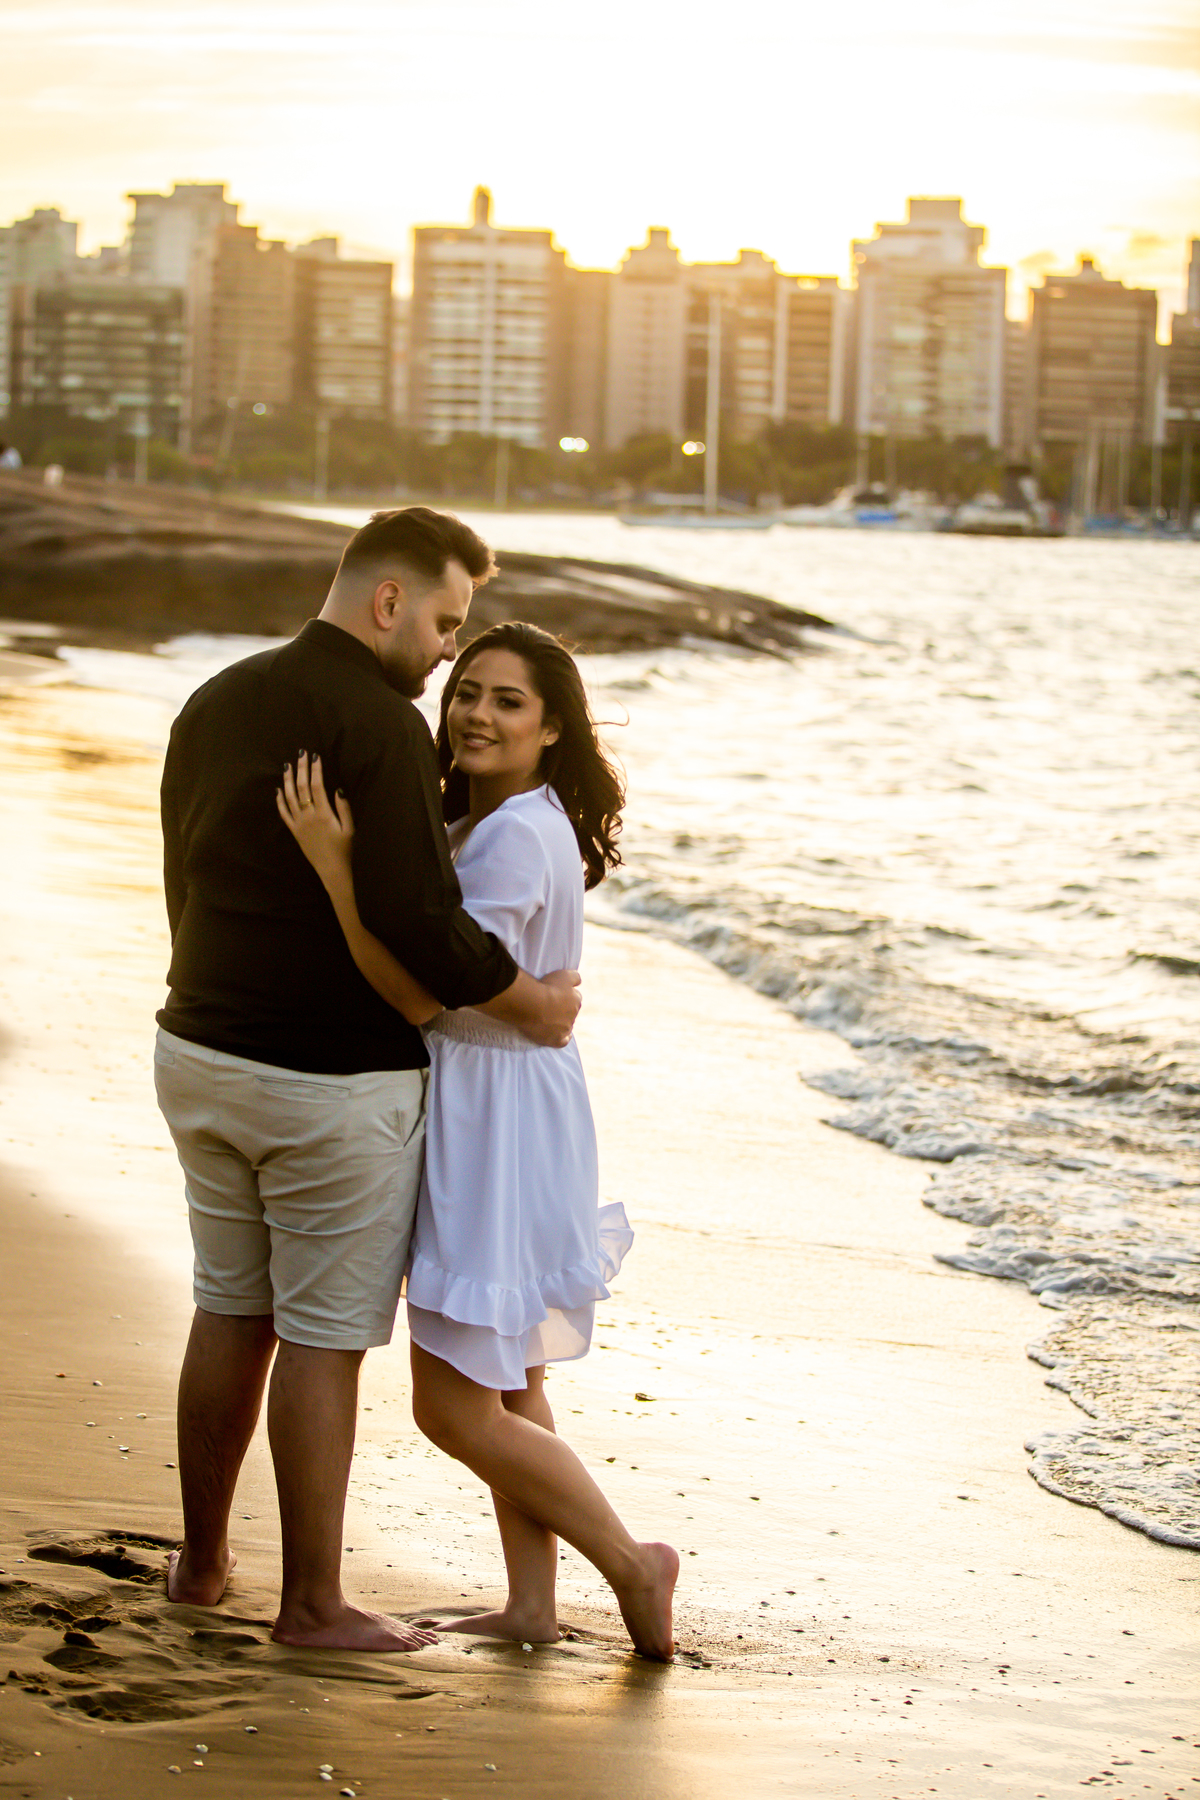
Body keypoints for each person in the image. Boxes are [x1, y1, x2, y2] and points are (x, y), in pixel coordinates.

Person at [154, 509, 581, 1652]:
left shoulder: (218, 696)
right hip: (329, 1085)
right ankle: (312, 1604)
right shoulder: (382, 728)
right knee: (320, 1340)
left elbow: (180, 870)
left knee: (227, 1309)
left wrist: (215, 993)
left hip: (197, 1049)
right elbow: (428, 929)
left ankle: (200, 1563)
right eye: (445, 623)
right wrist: (535, 1001)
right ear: (388, 602)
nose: (449, 652)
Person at [277, 620, 678, 1661]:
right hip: (519, 1105)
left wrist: (333, 867)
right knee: (511, 1382)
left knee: (454, 1408)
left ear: (553, 732)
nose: (477, 715)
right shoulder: (509, 818)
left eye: (509, 702)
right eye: (468, 692)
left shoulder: (506, 835)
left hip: (492, 1123)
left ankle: (634, 1563)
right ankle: (532, 1608)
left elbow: (423, 991)